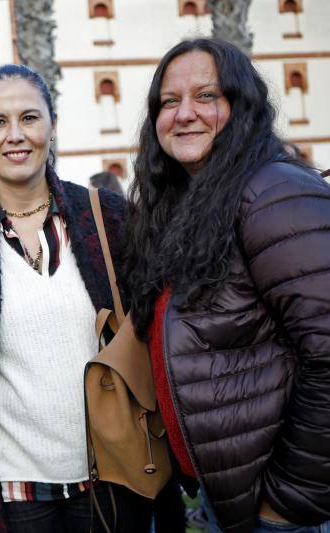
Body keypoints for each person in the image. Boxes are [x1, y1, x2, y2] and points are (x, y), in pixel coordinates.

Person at [121, 38, 330, 533]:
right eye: (170, 102)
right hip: (229, 499)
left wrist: (285, 503)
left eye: (207, 96)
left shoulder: (275, 191)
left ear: (243, 107)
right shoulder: (189, 205)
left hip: (282, 509)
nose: (185, 113)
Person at [0, 64, 152, 532]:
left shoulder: (110, 219)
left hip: (112, 478)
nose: (15, 135)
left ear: (52, 124)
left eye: (30, 118)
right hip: (15, 494)